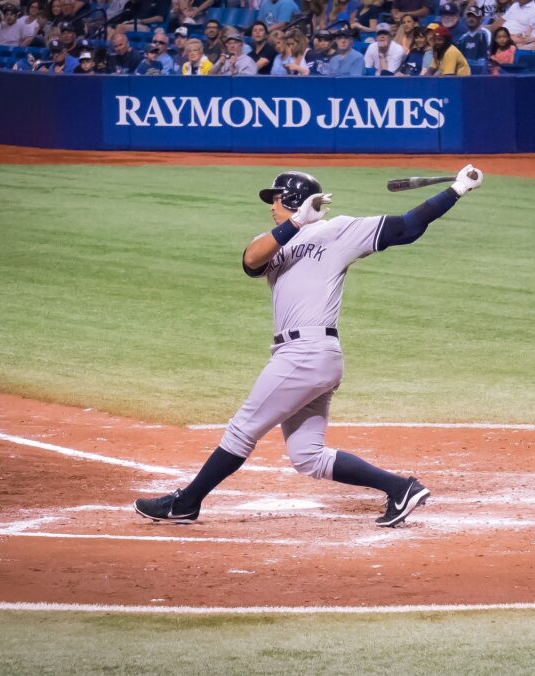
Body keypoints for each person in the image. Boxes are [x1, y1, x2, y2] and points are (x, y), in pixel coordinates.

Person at [134, 165, 486, 527]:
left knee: (242, 430)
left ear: (291, 198)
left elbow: (407, 227)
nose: (271, 205)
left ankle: (187, 503)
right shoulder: (276, 238)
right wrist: (295, 224)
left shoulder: (338, 230)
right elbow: (249, 262)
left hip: (308, 353)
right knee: (307, 457)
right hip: (303, 357)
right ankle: (401, 489)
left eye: (275, 198)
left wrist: (456, 190)